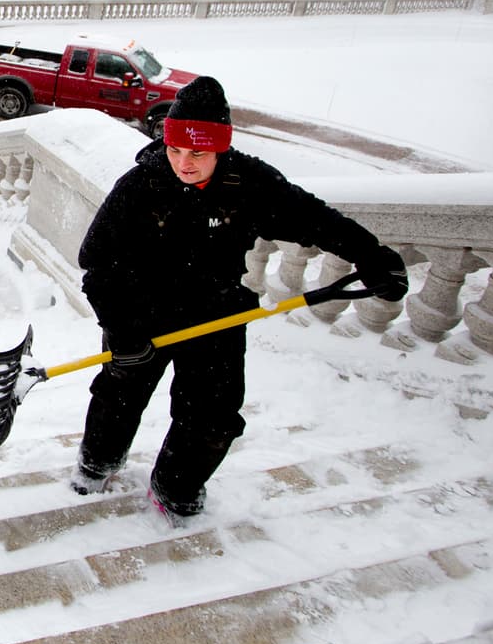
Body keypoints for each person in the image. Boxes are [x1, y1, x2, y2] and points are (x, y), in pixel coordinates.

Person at [71, 75, 408, 521]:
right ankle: (97, 462)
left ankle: (176, 485)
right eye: (175, 150)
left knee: (213, 414)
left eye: (198, 152)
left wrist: (372, 255)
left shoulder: (249, 184)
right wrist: (122, 330)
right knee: (119, 395)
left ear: (221, 148)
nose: (184, 163)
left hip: (215, 314)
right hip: (139, 315)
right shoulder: (139, 187)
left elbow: (315, 220)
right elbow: (96, 264)